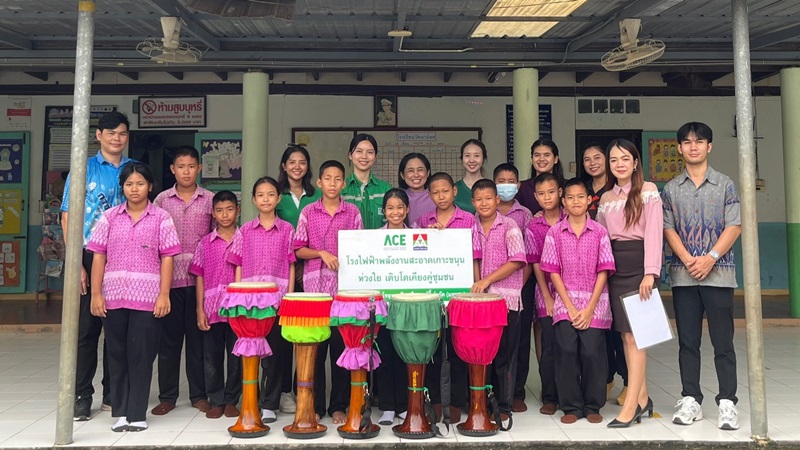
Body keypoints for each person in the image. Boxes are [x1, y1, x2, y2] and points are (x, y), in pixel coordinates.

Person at [87, 162, 180, 432]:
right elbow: (99, 256)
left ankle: (137, 413)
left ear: (150, 186)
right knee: (116, 355)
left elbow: (168, 258)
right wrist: (96, 294)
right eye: (129, 184)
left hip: (148, 299)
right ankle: (121, 412)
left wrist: (164, 295)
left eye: (140, 183)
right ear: (123, 188)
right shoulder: (109, 217)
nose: (134, 189)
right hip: (113, 296)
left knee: (141, 355)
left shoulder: (161, 217)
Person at [662, 122, 742, 430]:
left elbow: (734, 226)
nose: (693, 146)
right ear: (679, 148)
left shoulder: (725, 185)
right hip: (684, 278)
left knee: (723, 343)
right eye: (687, 142)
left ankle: (727, 402)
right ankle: (691, 399)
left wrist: (710, 258)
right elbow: (668, 228)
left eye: (699, 141)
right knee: (688, 342)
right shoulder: (671, 189)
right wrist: (687, 259)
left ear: (709, 146)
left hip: (719, 275)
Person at [61, 111, 131, 420]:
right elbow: (68, 216)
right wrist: (76, 264)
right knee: (87, 331)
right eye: (111, 133)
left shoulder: (133, 170)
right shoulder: (83, 168)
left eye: (122, 133)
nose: (117, 138)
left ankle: (113, 393)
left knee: (117, 330)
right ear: (99, 135)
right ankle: (81, 395)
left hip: (124, 258)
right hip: (88, 255)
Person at [596, 139, 663, 427]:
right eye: (614, 160)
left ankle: (631, 405)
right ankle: (643, 397)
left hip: (639, 268)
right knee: (625, 336)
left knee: (636, 337)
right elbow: (600, 236)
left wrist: (651, 272)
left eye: (625, 159)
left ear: (635, 162)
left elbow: (655, 233)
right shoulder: (606, 198)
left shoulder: (648, 191)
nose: (619, 164)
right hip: (615, 268)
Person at [540, 177, 615, 424]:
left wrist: (590, 308)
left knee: (593, 352)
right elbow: (553, 271)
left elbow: (604, 270)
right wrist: (570, 307)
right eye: (570, 198)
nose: (575, 202)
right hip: (565, 304)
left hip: (596, 304)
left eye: (580, 197)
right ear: (563, 201)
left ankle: (593, 405)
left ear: (589, 200)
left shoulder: (600, 232)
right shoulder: (554, 233)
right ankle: (571, 406)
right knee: (566, 351)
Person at [295, 160, 363, 424]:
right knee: (315, 350)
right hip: (315, 292)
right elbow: (298, 249)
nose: (332, 183)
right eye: (327, 178)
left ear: (344, 183)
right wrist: (321, 253)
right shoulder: (308, 212)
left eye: (337, 179)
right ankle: (315, 406)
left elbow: (359, 248)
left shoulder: (352, 212)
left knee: (340, 348)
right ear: (319, 182)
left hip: (343, 291)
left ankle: (338, 406)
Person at [228, 176, 297, 423]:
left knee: (274, 354)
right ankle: (251, 399)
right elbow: (237, 264)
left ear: (278, 199)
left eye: (270, 194)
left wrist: (289, 297)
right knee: (250, 353)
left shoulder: (287, 230)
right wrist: (237, 296)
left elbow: (291, 265)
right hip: (249, 303)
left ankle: (270, 403)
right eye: (260, 195)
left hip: (276, 302)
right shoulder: (244, 231)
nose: (265, 199)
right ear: (253, 199)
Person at [152, 146, 213, 415]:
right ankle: (167, 396)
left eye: (191, 166)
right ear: (172, 170)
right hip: (169, 283)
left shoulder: (210, 200)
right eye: (180, 166)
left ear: (199, 168)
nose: (186, 171)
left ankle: (199, 395)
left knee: (198, 342)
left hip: (200, 283)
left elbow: (216, 240)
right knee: (169, 342)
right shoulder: (161, 200)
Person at [412, 172, 474, 422]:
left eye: (445, 191)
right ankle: (435, 400)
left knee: (457, 348)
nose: (441, 196)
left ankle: (457, 401)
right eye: (436, 192)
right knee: (433, 349)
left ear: (454, 191)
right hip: (431, 296)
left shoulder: (468, 220)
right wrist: (430, 238)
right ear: (429, 195)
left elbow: (474, 254)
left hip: (459, 295)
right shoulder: (422, 221)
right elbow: (412, 254)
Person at [471, 179, 527, 419]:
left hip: (506, 301)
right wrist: (478, 284)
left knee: (505, 355)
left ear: (497, 200)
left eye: (488, 198)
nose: (484, 203)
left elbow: (517, 260)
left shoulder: (509, 225)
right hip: (479, 303)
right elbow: (473, 259)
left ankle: (504, 406)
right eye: (479, 199)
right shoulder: (471, 226)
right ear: (473, 202)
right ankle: (481, 402)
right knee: (482, 355)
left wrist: (486, 281)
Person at [274, 144, 321, 415]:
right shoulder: (276, 195)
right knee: (284, 334)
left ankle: (301, 386)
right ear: (284, 165)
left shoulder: (316, 196)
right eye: (292, 162)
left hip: (312, 272)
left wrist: (305, 264)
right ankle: (281, 390)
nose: (297, 167)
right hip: (284, 272)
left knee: (307, 335)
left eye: (302, 162)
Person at [582, 143, 628, 405]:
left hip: (619, 266)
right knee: (603, 329)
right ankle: (607, 377)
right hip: (591, 269)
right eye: (587, 159)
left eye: (597, 157)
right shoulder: (582, 192)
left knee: (622, 328)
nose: (592, 163)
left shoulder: (616, 191)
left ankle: (629, 382)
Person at [189, 190, 242, 419]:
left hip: (238, 308)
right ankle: (217, 400)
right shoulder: (205, 243)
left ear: (238, 211)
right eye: (219, 210)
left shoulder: (244, 239)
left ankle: (232, 399)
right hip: (211, 308)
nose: (225, 215)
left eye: (229, 209)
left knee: (236, 355)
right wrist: (200, 309)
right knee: (212, 355)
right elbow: (199, 276)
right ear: (212, 213)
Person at [493, 162, 534, 412]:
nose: (506, 185)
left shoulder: (525, 214)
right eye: (501, 181)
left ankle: (517, 391)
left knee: (519, 341)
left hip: (519, 288)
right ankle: (495, 391)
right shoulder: (484, 210)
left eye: (511, 182)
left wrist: (519, 284)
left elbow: (527, 255)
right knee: (496, 341)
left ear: (518, 186)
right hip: (490, 291)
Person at [524, 173, 564, 416]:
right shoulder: (533, 226)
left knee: (569, 345)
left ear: (560, 192)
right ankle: (549, 396)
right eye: (541, 193)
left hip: (572, 293)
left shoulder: (572, 217)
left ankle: (569, 394)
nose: (547, 197)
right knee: (548, 345)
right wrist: (547, 296)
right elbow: (536, 263)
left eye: (551, 192)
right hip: (545, 293)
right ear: (536, 197)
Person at [376, 189, 410, 425]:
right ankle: (387, 406)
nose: (395, 212)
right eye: (390, 208)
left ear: (407, 210)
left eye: (399, 207)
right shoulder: (374, 238)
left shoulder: (417, 235)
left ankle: (404, 406)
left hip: (408, 308)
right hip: (383, 307)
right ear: (384, 211)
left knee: (404, 356)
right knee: (384, 355)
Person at [342, 134, 392, 230]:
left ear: (375, 156)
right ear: (350, 155)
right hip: (349, 240)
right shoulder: (340, 188)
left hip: (379, 240)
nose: (364, 156)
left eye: (370, 152)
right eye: (359, 151)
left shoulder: (386, 189)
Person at [516, 138, 566, 216]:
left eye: (547, 155)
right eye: (537, 155)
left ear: (555, 159)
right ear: (532, 159)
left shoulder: (567, 186)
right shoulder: (522, 188)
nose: (541, 159)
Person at [398, 152, 435, 226]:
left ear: (428, 173)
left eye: (420, 170)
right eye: (410, 170)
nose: (416, 175)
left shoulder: (436, 196)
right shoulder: (398, 198)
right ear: (402, 175)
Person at [454, 139, 487, 213]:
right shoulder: (453, 189)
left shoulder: (491, 187)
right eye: (467, 156)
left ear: (483, 159)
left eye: (476, 156)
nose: (471, 160)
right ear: (462, 159)